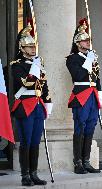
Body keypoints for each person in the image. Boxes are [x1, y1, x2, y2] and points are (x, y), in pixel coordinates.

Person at [11, 23, 53, 186]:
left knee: (36, 141)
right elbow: (25, 83)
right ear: (22, 48)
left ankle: (34, 173)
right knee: (26, 141)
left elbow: (45, 87)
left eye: (33, 45)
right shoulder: (17, 65)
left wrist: (48, 103)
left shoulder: (38, 64)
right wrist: (35, 67)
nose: (33, 49)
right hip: (25, 106)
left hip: (37, 106)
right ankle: (25, 175)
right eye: (29, 46)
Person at [66, 19, 102, 174]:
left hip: (92, 95)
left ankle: (86, 161)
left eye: (88, 40)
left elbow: (96, 79)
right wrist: (88, 60)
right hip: (81, 94)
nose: (88, 42)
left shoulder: (91, 58)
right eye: (85, 40)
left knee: (90, 126)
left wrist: (99, 96)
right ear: (77, 42)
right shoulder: (72, 58)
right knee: (80, 126)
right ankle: (78, 162)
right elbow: (78, 75)